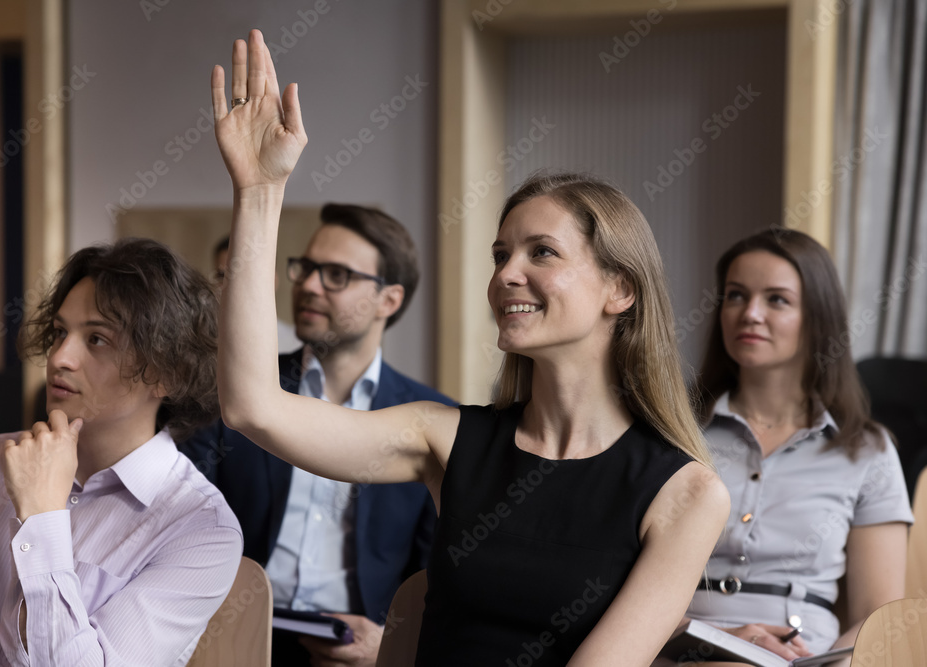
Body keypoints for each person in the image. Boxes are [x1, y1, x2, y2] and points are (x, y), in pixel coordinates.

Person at [210, 30, 729, 666]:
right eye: (501, 255)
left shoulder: (688, 493)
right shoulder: (446, 438)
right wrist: (259, 193)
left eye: (542, 252)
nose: (507, 274)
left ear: (618, 289)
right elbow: (252, 407)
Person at [0, 239, 243, 665]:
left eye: (96, 339)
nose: (60, 357)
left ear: (168, 373)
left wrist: (41, 516)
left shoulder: (202, 529)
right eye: (60, 332)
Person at [182, 205, 455, 666]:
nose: (308, 285)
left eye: (336, 275)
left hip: (359, 649)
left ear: (389, 300)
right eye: (306, 268)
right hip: (236, 638)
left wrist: (389, 642)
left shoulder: (430, 421)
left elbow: (439, 573)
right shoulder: (232, 393)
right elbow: (180, 517)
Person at [683, 228, 913, 665]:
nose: (750, 313)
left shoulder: (867, 451)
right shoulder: (673, 430)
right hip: (678, 645)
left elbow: (876, 615)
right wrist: (715, 638)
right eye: (735, 296)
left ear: (817, 318)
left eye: (777, 299)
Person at [212, 234, 301, 353]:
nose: (233, 289)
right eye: (222, 277)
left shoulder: (296, 346)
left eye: (244, 276)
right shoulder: (201, 344)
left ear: (273, 281)